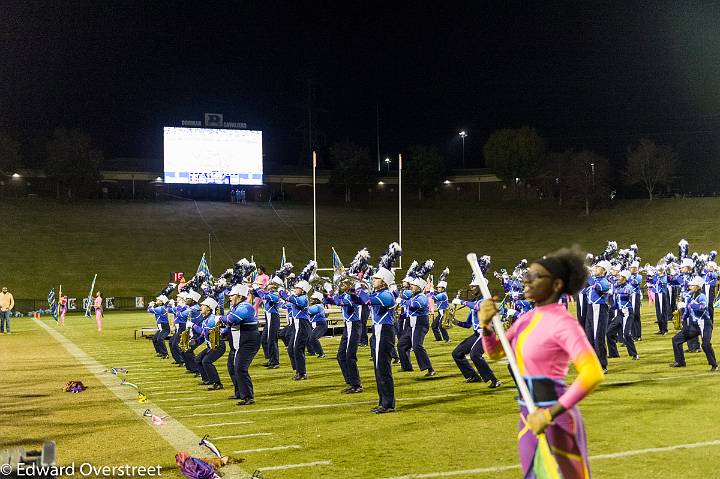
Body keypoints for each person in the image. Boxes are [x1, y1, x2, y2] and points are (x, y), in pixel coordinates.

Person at [479, 248, 604, 478]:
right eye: (527, 274)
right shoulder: (525, 319)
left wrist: (549, 415)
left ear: (556, 285)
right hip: (527, 415)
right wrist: (486, 327)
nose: (527, 279)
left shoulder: (564, 323)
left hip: (555, 418)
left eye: (536, 276)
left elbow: (593, 373)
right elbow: (496, 353)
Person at [451, 276, 502, 388]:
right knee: (457, 353)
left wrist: (461, 301)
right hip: (477, 334)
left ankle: (494, 380)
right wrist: (456, 322)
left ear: (481, 287)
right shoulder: (475, 302)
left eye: (474, 286)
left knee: (475, 354)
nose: (471, 288)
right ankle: (473, 376)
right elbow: (468, 324)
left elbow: (477, 307)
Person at [670, 276, 718, 371]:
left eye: (692, 285)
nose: (689, 287)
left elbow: (702, 307)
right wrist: (681, 319)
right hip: (695, 325)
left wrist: (691, 305)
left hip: (705, 324)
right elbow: (687, 312)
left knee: (705, 344)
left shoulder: (702, 296)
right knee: (676, 340)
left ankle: (714, 365)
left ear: (697, 287)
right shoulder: (691, 296)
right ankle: (680, 361)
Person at [224, 284, 261, 405]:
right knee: (232, 367)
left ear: (239, 296)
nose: (230, 298)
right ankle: (239, 392)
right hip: (238, 342)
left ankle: (248, 397)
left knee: (240, 368)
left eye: (232, 295)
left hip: (248, 342)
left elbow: (232, 319)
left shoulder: (246, 306)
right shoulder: (237, 306)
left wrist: (219, 318)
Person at [328, 278, 364, 393]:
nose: (341, 285)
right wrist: (325, 294)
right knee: (341, 356)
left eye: (344, 284)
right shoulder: (345, 295)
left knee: (350, 356)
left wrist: (332, 293)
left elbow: (339, 302)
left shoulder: (352, 296)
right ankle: (350, 382)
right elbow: (332, 301)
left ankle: (357, 385)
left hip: (354, 326)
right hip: (348, 326)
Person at [606, 270, 640, 360]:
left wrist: (614, 290)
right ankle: (613, 353)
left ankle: (634, 354)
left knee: (626, 334)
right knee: (609, 332)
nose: (618, 277)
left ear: (625, 278)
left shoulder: (628, 286)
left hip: (628, 313)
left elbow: (626, 293)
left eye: (620, 276)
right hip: (620, 313)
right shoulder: (617, 286)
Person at [585, 261, 611, 372]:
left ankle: (602, 365)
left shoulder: (605, 281)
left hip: (599, 309)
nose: (595, 268)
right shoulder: (594, 280)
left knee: (598, 337)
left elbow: (600, 287)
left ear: (604, 270)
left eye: (598, 267)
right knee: (589, 337)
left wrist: (588, 275)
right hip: (591, 309)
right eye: (595, 267)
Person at [194, 297, 226, 390]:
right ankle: (207, 379)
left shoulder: (212, 319)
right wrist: (196, 340)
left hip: (217, 345)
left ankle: (217, 383)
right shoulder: (205, 319)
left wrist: (193, 326)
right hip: (211, 345)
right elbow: (204, 335)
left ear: (209, 308)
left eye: (203, 306)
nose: (201, 307)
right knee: (198, 360)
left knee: (206, 361)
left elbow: (206, 332)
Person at [254, 275, 282, 368]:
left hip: (273, 318)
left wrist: (257, 288)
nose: (267, 285)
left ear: (274, 286)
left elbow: (264, 296)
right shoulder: (268, 293)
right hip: (269, 319)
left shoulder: (275, 294)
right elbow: (257, 294)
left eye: (270, 284)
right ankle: (271, 359)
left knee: (272, 340)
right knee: (264, 339)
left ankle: (275, 362)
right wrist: (254, 289)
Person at [429, 268, 450, 342]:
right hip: (440, 313)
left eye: (439, 287)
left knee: (441, 326)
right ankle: (438, 339)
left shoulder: (442, 295)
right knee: (434, 326)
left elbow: (433, 297)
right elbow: (435, 294)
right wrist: (432, 290)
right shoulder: (441, 294)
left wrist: (431, 291)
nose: (437, 288)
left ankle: (447, 339)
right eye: (437, 287)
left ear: (443, 289)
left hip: (443, 313)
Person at [147, 295, 170, 359]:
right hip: (161, 327)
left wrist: (151, 305)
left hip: (164, 327)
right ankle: (160, 352)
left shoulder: (161, 308)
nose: (156, 301)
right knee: (154, 339)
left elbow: (149, 310)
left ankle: (165, 354)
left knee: (160, 339)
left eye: (158, 300)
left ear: (162, 302)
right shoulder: (161, 307)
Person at [307, 292, 328, 358]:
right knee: (307, 337)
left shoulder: (318, 306)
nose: (311, 300)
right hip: (314, 324)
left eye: (313, 299)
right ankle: (311, 351)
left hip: (320, 325)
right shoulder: (317, 306)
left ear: (317, 300)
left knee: (313, 338)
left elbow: (308, 311)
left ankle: (321, 353)